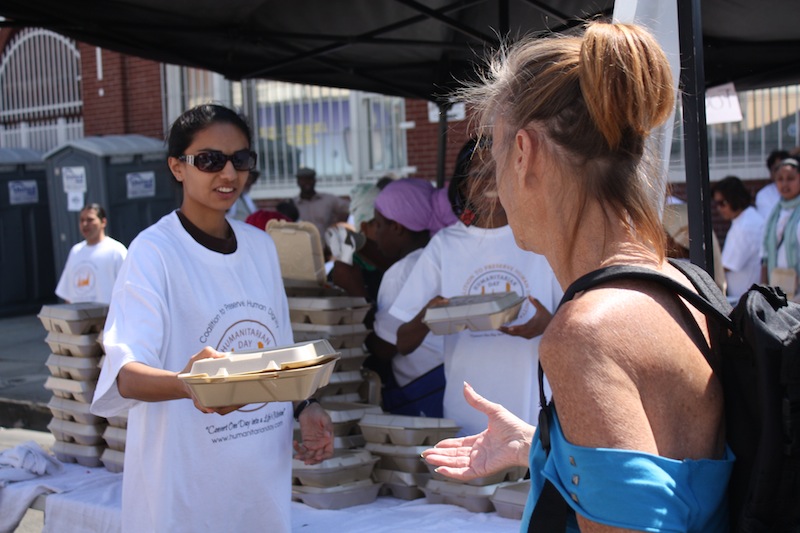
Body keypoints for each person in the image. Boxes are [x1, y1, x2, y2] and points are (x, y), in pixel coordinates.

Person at [421, 22, 732, 532]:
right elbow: (671, 468)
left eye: (495, 154)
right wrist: (540, 445)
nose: (496, 185)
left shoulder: (585, 333)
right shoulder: (686, 285)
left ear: (523, 152)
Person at [90, 104, 333, 533]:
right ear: (177, 167)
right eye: (209, 160)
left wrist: (306, 406)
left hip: (259, 487)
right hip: (185, 494)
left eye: (240, 160)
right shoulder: (154, 253)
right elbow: (125, 375)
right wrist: (189, 385)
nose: (228, 173)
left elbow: (276, 357)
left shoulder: (260, 247)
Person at [390, 137, 562, 436]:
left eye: (498, 170)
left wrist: (549, 324)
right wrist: (430, 317)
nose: (488, 180)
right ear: (463, 187)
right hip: (466, 419)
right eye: (477, 173)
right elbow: (404, 342)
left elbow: (585, 321)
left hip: (533, 417)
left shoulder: (543, 238)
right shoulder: (445, 246)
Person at [367, 178, 448, 417]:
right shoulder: (444, 256)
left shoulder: (401, 271)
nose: (375, 234)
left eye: (378, 225)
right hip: (447, 376)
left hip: (424, 388)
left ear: (397, 228)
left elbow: (385, 347)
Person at [55, 203, 127, 304]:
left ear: (103, 222)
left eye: (90, 220)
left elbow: (128, 290)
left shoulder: (116, 250)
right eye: (82, 220)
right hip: (80, 318)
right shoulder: (75, 251)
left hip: (107, 318)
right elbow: (68, 294)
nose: (85, 224)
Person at [711, 176, 765, 301]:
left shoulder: (746, 226)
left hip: (744, 298)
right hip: (746, 295)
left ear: (734, 199)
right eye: (717, 203)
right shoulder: (746, 219)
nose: (719, 208)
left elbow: (725, 265)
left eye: (722, 203)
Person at [761, 157, 800, 299]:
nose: (785, 184)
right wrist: (763, 286)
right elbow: (765, 255)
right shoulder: (774, 212)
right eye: (780, 179)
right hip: (778, 285)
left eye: (790, 178)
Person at [294, 166, 350, 237]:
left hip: (327, 245)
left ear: (314, 180)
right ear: (298, 182)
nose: (307, 182)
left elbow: (350, 208)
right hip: (303, 246)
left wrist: (339, 224)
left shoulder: (329, 199)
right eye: (303, 179)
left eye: (309, 179)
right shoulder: (293, 204)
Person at [755, 149, 791, 219]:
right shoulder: (764, 195)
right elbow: (771, 221)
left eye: (785, 168)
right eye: (776, 169)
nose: (782, 173)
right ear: (771, 174)